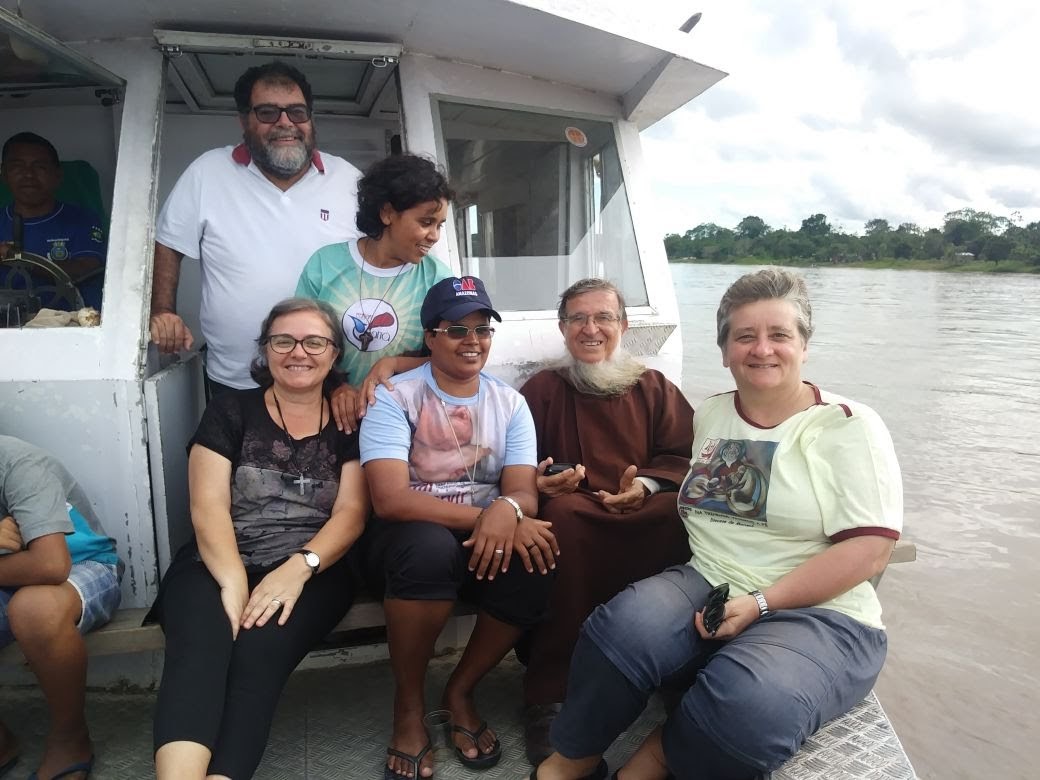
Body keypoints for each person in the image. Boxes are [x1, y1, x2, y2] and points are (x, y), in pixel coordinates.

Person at [532, 267, 903, 780]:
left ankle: (656, 756)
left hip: (822, 611)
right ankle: (571, 759)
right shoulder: (712, 415)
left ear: (804, 345)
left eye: (779, 335)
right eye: (745, 336)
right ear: (724, 349)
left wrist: (761, 603)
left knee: (750, 706)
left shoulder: (845, 425)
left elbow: (869, 551)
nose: (762, 349)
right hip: (710, 581)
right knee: (619, 631)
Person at [151, 298, 369, 779]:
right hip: (219, 557)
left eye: (315, 341)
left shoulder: (349, 425)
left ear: (334, 355)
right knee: (203, 642)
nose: (299, 352)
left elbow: (352, 512)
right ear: (265, 350)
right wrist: (232, 582)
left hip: (314, 568)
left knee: (259, 649)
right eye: (283, 340)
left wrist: (298, 569)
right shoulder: (230, 411)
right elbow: (207, 507)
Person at [360, 275, 557, 780]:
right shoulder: (395, 396)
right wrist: (490, 515)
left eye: (482, 329)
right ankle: (408, 707)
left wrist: (510, 512)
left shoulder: (509, 403)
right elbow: (390, 499)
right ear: (430, 336)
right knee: (426, 550)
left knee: (538, 557)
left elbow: (523, 490)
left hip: (482, 531)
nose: (473, 341)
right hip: (408, 531)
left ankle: (460, 689)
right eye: (456, 330)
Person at [518, 278, 694, 765]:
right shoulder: (543, 390)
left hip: (642, 509)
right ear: (563, 327)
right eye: (578, 318)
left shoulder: (654, 387)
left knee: (679, 516)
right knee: (565, 519)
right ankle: (551, 692)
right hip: (576, 513)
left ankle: (675, 668)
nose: (591, 329)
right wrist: (540, 482)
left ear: (624, 326)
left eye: (603, 318)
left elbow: (685, 456)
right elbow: (514, 466)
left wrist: (646, 487)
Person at [150, 61, 362, 394]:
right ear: (244, 121)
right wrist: (164, 311)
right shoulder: (207, 172)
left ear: (311, 119)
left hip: (329, 381)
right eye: (267, 113)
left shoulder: (349, 180)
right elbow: (169, 243)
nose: (285, 123)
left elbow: (381, 258)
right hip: (235, 381)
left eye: (297, 112)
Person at [296, 153, 453, 433]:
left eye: (439, 225)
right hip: (326, 420)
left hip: (402, 426)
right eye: (426, 222)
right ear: (387, 213)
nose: (435, 236)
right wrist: (335, 387)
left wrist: (393, 363)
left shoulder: (438, 279)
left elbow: (453, 356)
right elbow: (299, 343)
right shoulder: (325, 265)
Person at [0, 434, 122, 780]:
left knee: (34, 609)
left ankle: (70, 737)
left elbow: (51, 565)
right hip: (7, 573)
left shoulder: (17, 463)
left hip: (83, 566)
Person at [0, 132, 107, 310]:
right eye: (17, 167)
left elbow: (86, 269)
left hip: (70, 328)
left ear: (57, 175)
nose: (28, 175)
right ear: (4, 174)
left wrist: (20, 259)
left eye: (39, 167)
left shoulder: (83, 220)